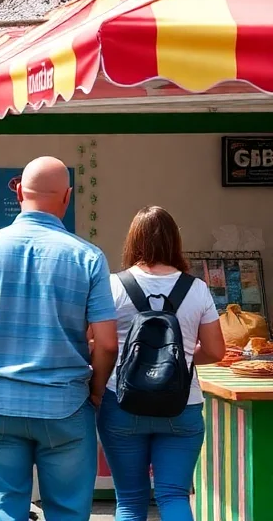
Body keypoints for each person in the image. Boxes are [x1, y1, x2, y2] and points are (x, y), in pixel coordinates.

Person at [0, 157, 119, 521]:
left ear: (20, 191)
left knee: (5, 508)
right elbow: (107, 343)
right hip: (66, 402)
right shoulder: (88, 257)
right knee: (68, 510)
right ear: (67, 197)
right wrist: (97, 390)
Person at [97, 206, 226, 521]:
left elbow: (101, 343)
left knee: (129, 500)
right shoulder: (196, 289)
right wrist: (186, 356)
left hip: (122, 402)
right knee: (173, 496)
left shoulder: (113, 286)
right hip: (182, 405)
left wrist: (97, 388)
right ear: (174, 242)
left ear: (133, 241)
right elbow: (215, 350)